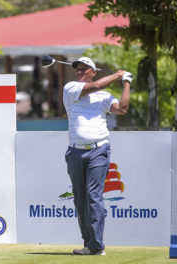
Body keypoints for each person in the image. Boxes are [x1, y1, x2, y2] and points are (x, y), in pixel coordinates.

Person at [63, 57, 132, 256]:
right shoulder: (70, 89)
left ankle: (96, 245)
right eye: (77, 69)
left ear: (93, 71)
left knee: (94, 196)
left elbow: (123, 109)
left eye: (84, 69)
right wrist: (118, 74)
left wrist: (126, 82)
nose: (79, 72)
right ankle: (89, 242)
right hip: (75, 151)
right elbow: (92, 86)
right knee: (80, 199)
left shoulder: (104, 96)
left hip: (98, 150)